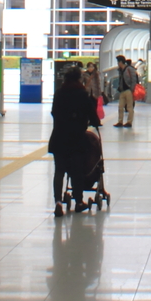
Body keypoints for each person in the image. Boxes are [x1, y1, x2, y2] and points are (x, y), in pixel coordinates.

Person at [49, 64, 101, 216]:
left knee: (59, 170)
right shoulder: (82, 94)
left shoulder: (59, 93)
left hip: (59, 138)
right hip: (77, 139)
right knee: (76, 171)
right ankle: (78, 202)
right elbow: (92, 115)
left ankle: (58, 201)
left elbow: (54, 112)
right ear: (79, 78)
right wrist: (94, 122)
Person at [114, 55, 140, 128]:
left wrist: (132, 89)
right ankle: (120, 121)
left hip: (128, 90)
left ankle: (129, 121)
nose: (118, 64)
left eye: (118, 62)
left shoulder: (129, 69)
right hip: (122, 90)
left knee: (129, 107)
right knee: (120, 107)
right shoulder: (120, 70)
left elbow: (133, 79)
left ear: (121, 62)